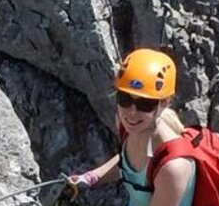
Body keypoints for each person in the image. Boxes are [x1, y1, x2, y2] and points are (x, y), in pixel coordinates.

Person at [66, 48, 198, 206]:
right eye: (125, 99)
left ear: (164, 102)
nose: (132, 113)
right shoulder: (129, 127)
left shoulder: (173, 168)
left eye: (145, 104)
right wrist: (91, 177)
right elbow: (126, 160)